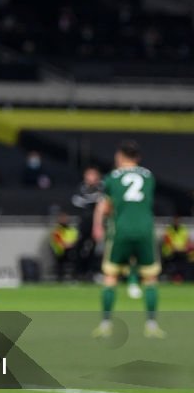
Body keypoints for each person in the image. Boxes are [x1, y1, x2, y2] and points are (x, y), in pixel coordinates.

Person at [92, 140, 164, 338]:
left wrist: (98, 225)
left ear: (120, 156)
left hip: (121, 231)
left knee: (110, 276)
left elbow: (105, 206)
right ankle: (151, 325)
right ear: (138, 158)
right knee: (150, 278)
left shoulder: (112, 178)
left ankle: (106, 324)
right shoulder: (149, 176)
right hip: (145, 231)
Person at [71, 166, 102, 279]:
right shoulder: (81, 188)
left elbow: (103, 201)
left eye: (93, 175)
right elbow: (76, 201)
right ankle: (78, 273)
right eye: (89, 175)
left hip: (97, 225)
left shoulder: (101, 188)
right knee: (79, 248)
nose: (91, 178)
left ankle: (93, 272)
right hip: (83, 224)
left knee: (95, 249)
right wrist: (92, 201)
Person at [49, 212, 79, 282]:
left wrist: (71, 244)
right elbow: (57, 240)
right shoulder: (57, 230)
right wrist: (64, 245)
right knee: (60, 264)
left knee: (75, 260)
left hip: (71, 250)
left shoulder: (72, 230)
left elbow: (76, 239)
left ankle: (74, 278)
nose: (64, 220)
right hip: (59, 251)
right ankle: (60, 279)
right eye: (62, 219)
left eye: (65, 219)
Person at [161, 215, 190, 282]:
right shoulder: (168, 229)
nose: (176, 222)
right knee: (173, 261)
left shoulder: (183, 229)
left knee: (183, 261)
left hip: (181, 252)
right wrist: (174, 248)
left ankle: (181, 276)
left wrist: (182, 248)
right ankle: (173, 276)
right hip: (170, 252)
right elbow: (167, 241)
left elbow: (187, 241)